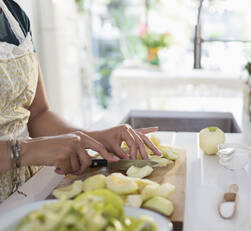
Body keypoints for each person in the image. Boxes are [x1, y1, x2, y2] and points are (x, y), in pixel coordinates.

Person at [0, 0, 161, 203]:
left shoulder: (14, 15)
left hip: (28, 191)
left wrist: (94, 138)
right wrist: (26, 150)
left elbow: (38, 113)